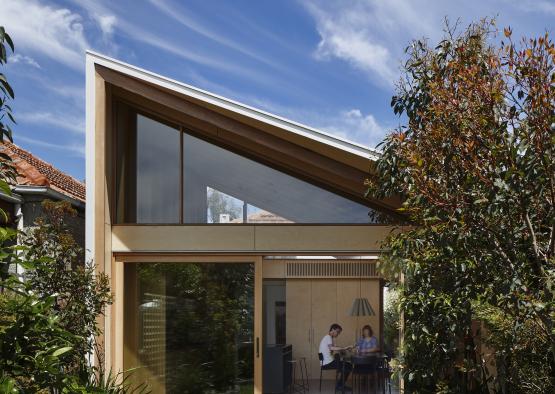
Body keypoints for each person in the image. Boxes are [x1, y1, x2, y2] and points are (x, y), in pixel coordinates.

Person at [319, 323, 353, 391]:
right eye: (337, 332)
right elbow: (332, 348)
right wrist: (344, 348)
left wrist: (339, 346)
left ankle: (340, 385)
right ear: (332, 330)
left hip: (326, 362)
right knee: (348, 366)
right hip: (327, 363)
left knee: (346, 365)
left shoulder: (329, 337)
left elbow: (332, 349)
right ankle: (340, 386)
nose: (338, 334)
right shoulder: (328, 337)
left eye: (339, 333)